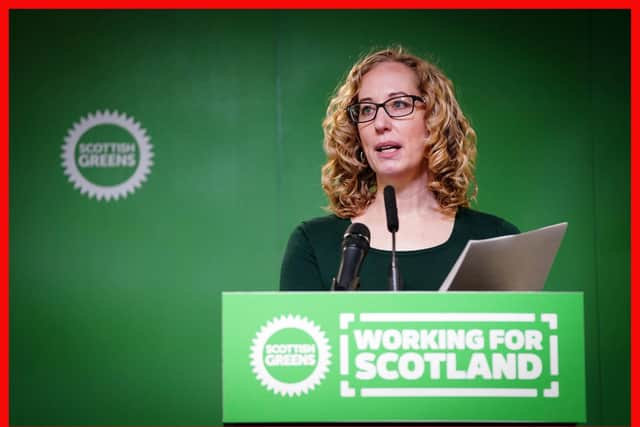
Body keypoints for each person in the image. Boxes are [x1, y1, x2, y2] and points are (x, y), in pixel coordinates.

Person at [280, 46, 519, 291]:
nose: (380, 123)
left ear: (434, 119)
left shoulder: (497, 240)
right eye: (367, 109)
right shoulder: (315, 244)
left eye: (399, 104)